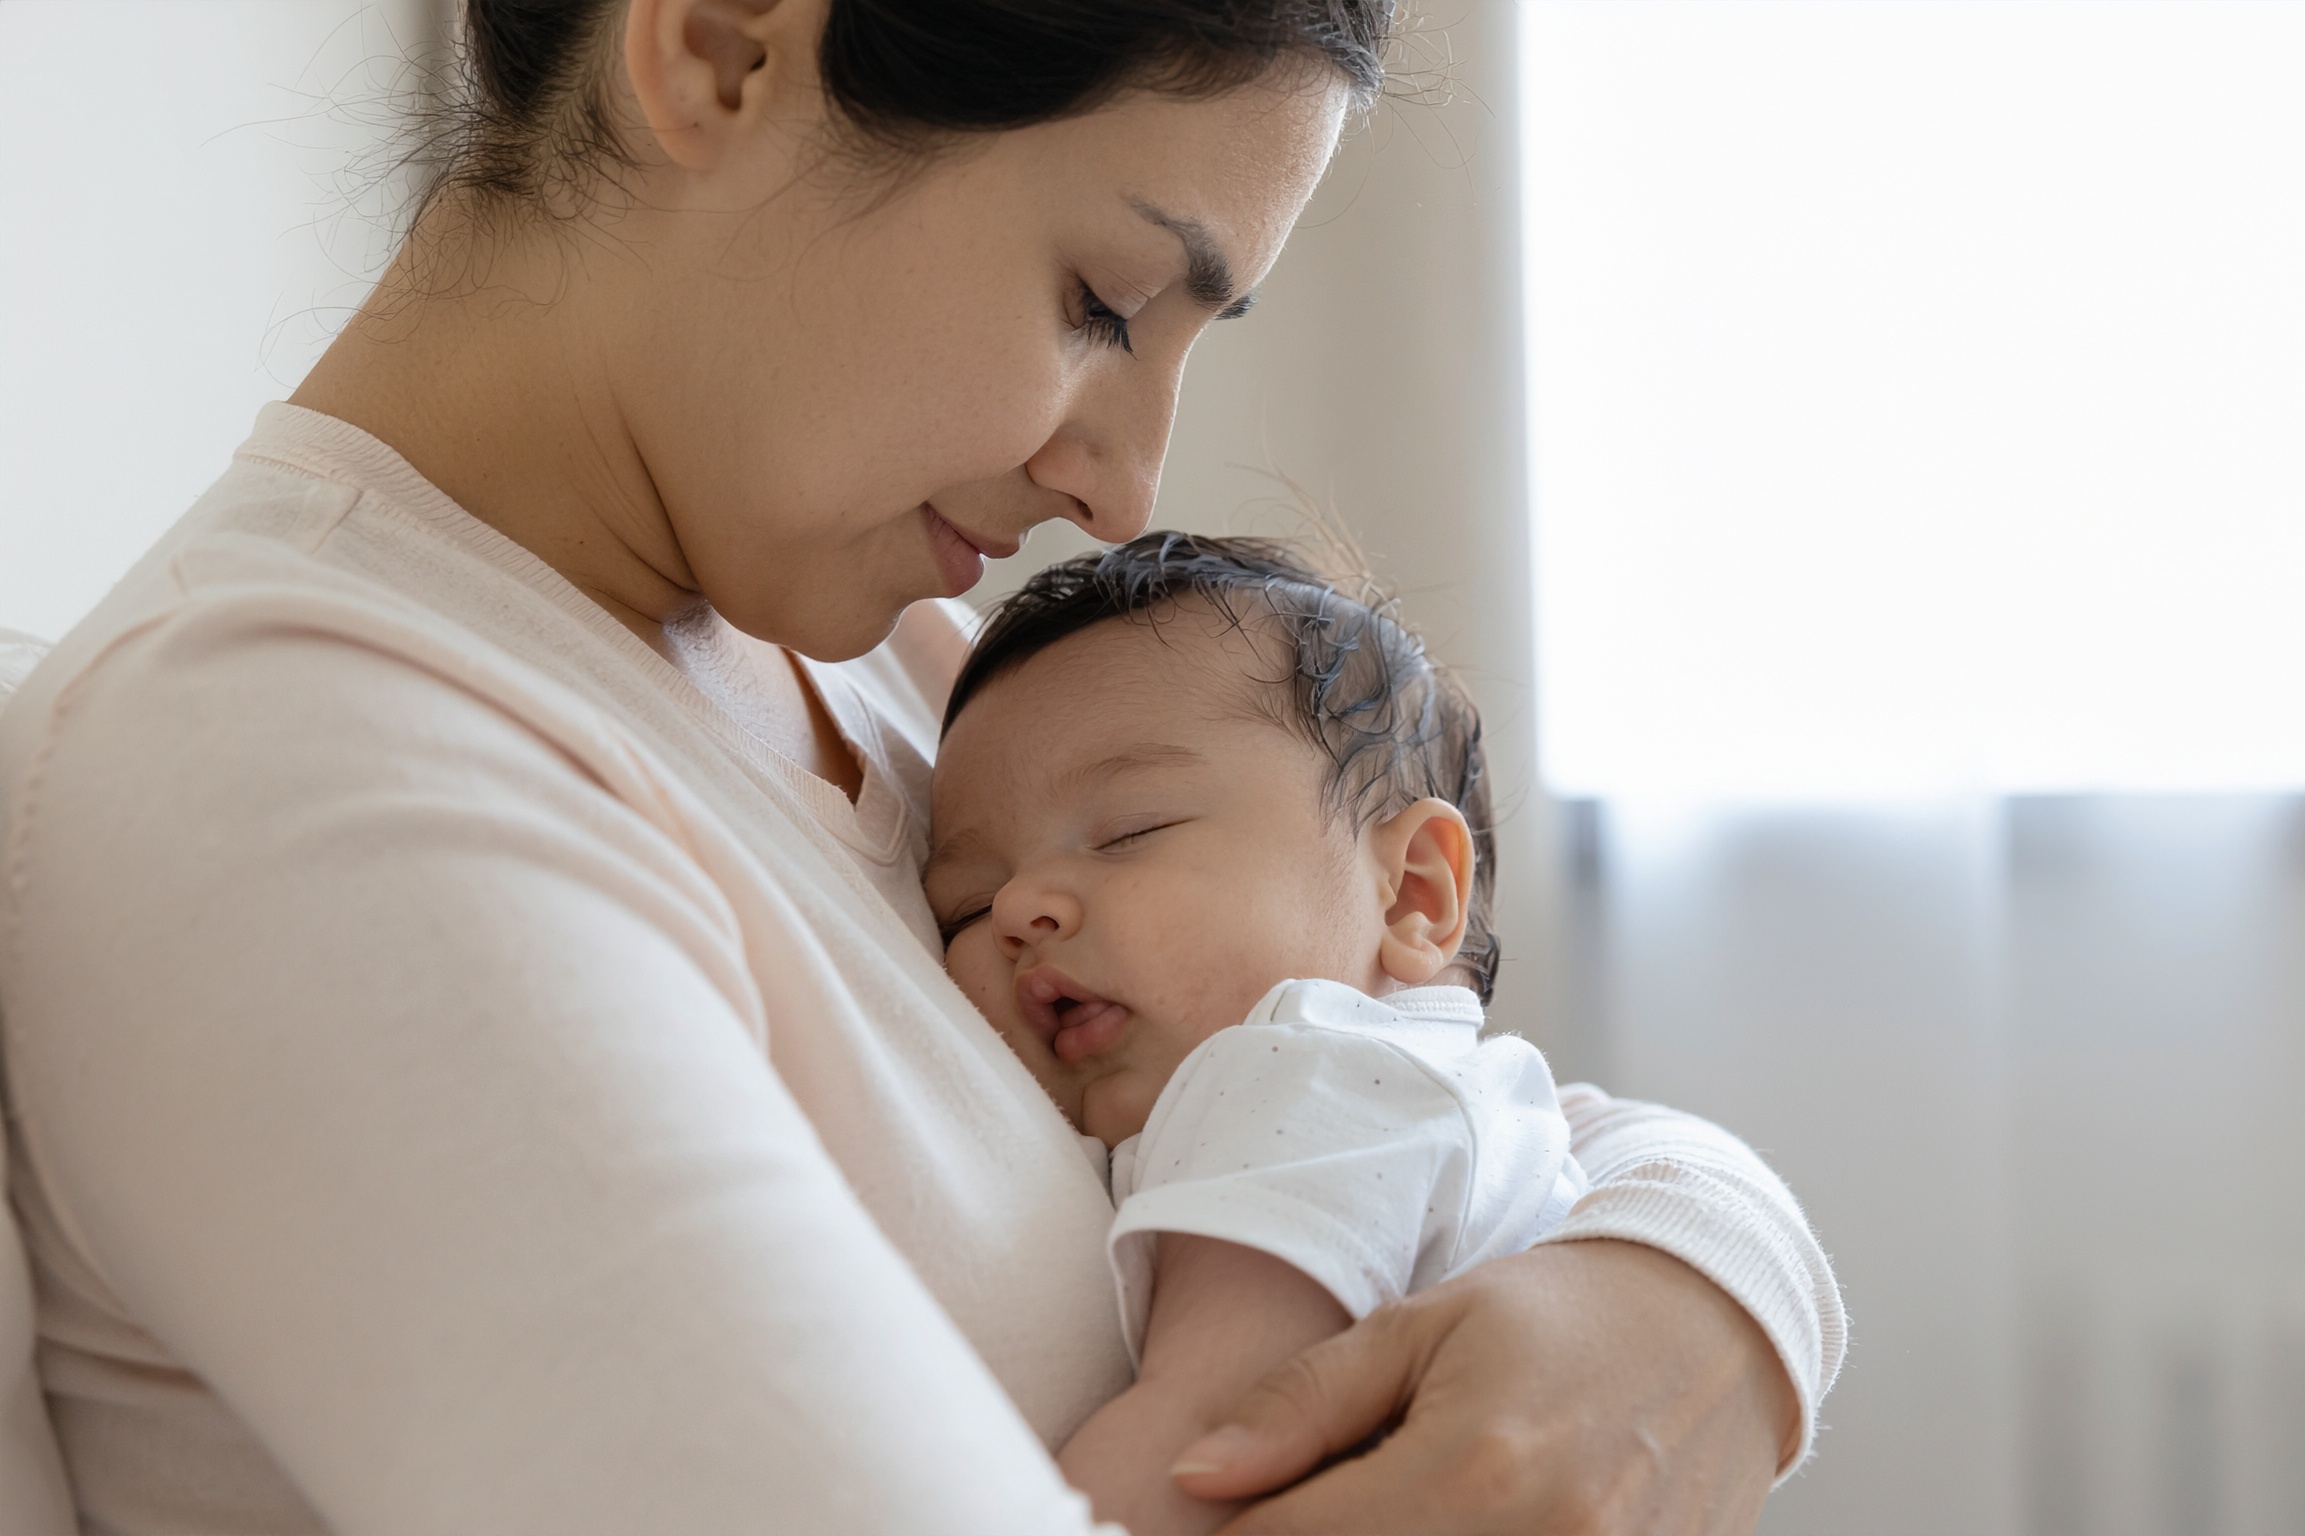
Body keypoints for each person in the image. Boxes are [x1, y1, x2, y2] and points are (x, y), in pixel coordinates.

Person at [0, 1, 1846, 1532]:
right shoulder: (306, 765)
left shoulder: (874, 648)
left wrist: (1700, 1286)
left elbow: (1381, 1048)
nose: (1121, 489)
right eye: (1102, 303)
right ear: (721, 46)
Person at [929, 534, 1589, 1532]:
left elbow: (1204, 1438)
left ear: (1411, 892)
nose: (1020, 906)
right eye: (966, 906)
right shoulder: (1449, 1095)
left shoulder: (1310, 1076)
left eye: (1130, 831)